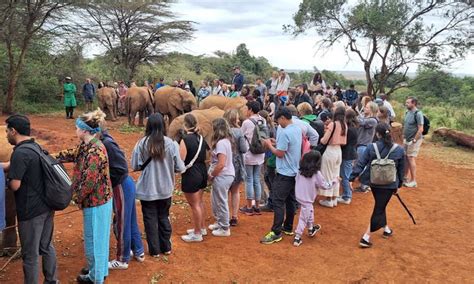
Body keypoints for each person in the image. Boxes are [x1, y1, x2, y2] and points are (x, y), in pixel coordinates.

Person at [53, 109, 112, 283]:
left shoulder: (94, 151)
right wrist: (49, 157)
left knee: (95, 243)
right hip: (95, 202)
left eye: (77, 128)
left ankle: (96, 278)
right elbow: (72, 153)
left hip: (96, 203)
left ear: (85, 130)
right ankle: (97, 272)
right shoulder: (87, 145)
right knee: (97, 240)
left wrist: (74, 198)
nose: (75, 130)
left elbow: (89, 182)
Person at [2, 114, 58, 284]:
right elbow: (13, 166)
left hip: (30, 211)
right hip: (47, 207)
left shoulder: (19, 153)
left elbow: (15, 186)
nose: (6, 135)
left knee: (30, 254)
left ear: (14, 131)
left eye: (7, 131)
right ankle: (52, 281)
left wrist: (6, 182)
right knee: (46, 246)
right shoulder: (36, 147)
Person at [131, 113, 185, 256]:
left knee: (149, 219)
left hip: (147, 189)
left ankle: (154, 250)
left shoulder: (141, 143)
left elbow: (135, 165)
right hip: (165, 188)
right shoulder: (171, 144)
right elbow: (179, 167)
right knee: (163, 216)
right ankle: (166, 247)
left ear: (148, 126)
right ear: (163, 125)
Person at [350, 123, 405, 248]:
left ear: (378, 134)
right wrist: (399, 184)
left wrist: (352, 177)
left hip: (374, 182)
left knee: (380, 205)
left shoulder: (371, 147)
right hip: (390, 184)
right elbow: (401, 170)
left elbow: (360, 164)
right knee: (379, 207)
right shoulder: (399, 149)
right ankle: (366, 237)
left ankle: (386, 229)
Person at [100, 129, 145, 270]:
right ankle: (138, 251)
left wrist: (107, 181)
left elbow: (120, 168)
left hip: (120, 185)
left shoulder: (105, 144)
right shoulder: (108, 140)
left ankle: (122, 259)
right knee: (130, 220)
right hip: (126, 184)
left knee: (122, 222)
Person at [260, 107, 302, 244]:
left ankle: (276, 232)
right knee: (290, 200)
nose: (278, 124)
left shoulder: (284, 132)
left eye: (278, 121)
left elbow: (280, 153)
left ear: (283, 118)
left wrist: (268, 145)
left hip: (284, 172)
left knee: (278, 201)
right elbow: (287, 147)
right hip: (294, 171)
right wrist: (276, 143)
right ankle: (288, 226)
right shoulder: (296, 128)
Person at [179, 114, 209, 242]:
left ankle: (197, 234)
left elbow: (181, 160)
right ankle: (201, 228)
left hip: (191, 174)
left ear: (185, 125)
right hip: (202, 171)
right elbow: (208, 154)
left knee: (194, 204)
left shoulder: (185, 140)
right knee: (200, 202)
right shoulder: (201, 138)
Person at [293, 151, 334, 247]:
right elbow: (325, 186)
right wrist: (334, 181)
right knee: (303, 218)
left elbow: (296, 180)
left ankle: (311, 229)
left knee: (309, 211)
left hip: (299, 197)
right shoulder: (316, 174)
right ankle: (297, 238)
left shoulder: (300, 171)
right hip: (307, 200)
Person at [207, 118, 235, 237]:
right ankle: (220, 222)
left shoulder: (221, 143)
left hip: (223, 176)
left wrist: (211, 175)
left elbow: (221, 164)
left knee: (221, 201)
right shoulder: (225, 141)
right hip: (223, 175)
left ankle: (224, 227)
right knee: (217, 200)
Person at [318, 106, 347, 208]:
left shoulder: (333, 124)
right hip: (339, 150)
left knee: (328, 175)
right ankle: (334, 198)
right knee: (335, 175)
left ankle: (328, 199)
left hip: (330, 150)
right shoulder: (345, 125)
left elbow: (324, 140)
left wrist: (322, 137)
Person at [240, 101, 265, 215]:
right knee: (256, 179)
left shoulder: (246, 122)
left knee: (249, 179)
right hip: (260, 154)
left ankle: (249, 207)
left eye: (247, 109)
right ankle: (257, 206)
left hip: (249, 154)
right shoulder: (263, 120)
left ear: (250, 109)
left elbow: (241, 136)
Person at [223, 109, 248, 226]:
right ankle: (234, 216)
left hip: (224, 163)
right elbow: (244, 149)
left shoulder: (221, 132)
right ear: (234, 119)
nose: (239, 119)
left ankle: (225, 216)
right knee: (235, 190)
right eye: (237, 117)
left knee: (225, 191)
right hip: (237, 164)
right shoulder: (239, 132)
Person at [354, 102, 379, 193]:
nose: (364, 108)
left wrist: (356, 112)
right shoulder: (368, 118)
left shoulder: (373, 120)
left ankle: (364, 186)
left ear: (372, 109)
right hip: (360, 145)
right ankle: (363, 185)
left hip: (364, 145)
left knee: (362, 165)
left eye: (367, 107)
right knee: (360, 164)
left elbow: (361, 122)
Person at [338, 109, 359, 205]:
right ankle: (345, 194)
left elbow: (345, 143)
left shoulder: (349, 129)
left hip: (347, 154)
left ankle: (347, 196)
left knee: (345, 176)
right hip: (350, 153)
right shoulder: (354, 127)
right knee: (345, 175)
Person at [403, 97, 424, 188]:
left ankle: (413, 180)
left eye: (408, 102)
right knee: (405, 157)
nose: (406, 104)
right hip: (407, 139)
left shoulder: (418, 114)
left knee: (410, 157)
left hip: (414, 140)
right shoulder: (407, 112)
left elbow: (420, 129)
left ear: (413, 103)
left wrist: (414, 140)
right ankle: (405, 177)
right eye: (406, 102)